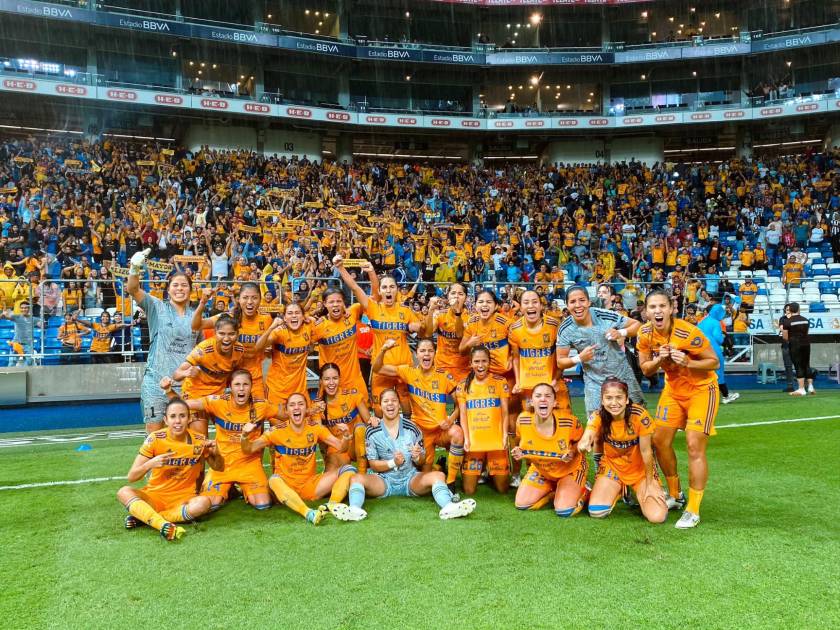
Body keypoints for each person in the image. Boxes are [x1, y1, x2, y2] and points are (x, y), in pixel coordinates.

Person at [637, 289, 720, 529]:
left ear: (671, 308)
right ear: (646, 312)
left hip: (702, 390)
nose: (658, 311)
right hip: (673, 391)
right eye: (653, 307)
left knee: (694, 445)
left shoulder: (688, 332)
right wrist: (659, 360)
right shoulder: (644, 333)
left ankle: (693, 509)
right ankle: (676, 494)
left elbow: (714, 362)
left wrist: (689, 362)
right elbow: (646, 369)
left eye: (662, 306)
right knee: (659, 441)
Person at [332, 388, 476, 522]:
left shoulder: (412, 428)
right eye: (386, 401)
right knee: (356, 478)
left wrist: (417, 457)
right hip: (384, 480)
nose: (390, 404)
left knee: (438, 476)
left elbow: (422, 461)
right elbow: (374, 465)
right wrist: (393, 462)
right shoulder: (372, 431)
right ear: (380, 406)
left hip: (409, 478)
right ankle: (355, 510)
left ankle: (448, 507)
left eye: (394, 401)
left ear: (399, 404)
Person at [161, 370, 273, 511]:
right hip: (222, 465)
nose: (241, 388)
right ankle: (229, 488)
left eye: (245, 384)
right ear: (230, 387)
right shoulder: (217, 402)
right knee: (210, 503)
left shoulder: (262, 405)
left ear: (251, 386)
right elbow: (184, 405)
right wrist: (168, 390)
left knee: (263, 504)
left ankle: (242, 488)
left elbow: (286, 414)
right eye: (237, 384)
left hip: (249, 464)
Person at [115, 398, 223, 541]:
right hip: (155, 496)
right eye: (173, 416)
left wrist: (217, 453)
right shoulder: (155, 439)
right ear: (166, 420)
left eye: (182, 416)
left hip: (184, 499)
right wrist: (150, 464)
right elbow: (132, 477)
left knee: (204, 503)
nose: (177, 421)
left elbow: (218, 467)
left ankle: (146, 517)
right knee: (123, 492)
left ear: (189, 418)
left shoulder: (199, 440)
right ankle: (161, 524)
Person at [240, 392, 355, 525]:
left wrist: (346, 437)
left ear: (306, 409)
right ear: (287, 411)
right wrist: (244, 436)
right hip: (285, 485)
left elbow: (341, 447)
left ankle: (331, 505)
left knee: (348, 470)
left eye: (300, 404)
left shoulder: (316, 428)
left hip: (309, 485)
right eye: (292, 405)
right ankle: (308, 513)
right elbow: (248, 449)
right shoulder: (276, 432)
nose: (296, 407)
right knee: (273, 480)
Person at [334, 256, 422, 413]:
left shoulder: (406, 311)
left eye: (392, 287)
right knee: (379, 409)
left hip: (403, 366)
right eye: (385, 287)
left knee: (406, 405)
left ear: (397, 290)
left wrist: (422, 324)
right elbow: (355, 287)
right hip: (381, 368)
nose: (388, 290)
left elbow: (423, 330)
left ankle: (407, 427)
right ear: (380, 291)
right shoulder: (373, 308)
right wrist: (341, 268)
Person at [372, 337, 464, 485]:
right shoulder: (408, 372)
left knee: (458, 433)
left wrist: (451, 419)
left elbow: (461, 402)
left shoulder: (443, 375)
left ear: (435, 353)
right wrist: (383, 350)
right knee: (423, 476)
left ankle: (451, 482)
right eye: (422, 351)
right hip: (421, 432)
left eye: (430, 351)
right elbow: (378, 368)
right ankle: (439, 466)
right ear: (416, 354)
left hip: (441, 430)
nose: (426, 354)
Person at [127, 249, 198, 432]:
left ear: (191, 290)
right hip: (156, 383)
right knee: (155, 438)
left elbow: (200, 351)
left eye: (184, 285)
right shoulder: (156, 306)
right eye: (175, 285)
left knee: (186, 439)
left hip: (185, 386)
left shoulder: (197, 317)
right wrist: (134, 268)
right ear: (168, 289)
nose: (180, 288)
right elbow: (133, 289)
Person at [578, 378, 668, 523]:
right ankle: (620, 488)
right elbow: (587, 435)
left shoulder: (639, 416)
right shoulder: (598, 416)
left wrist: (650, 483)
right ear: (602, 400)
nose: (614, 403)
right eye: (609, 398)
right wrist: (583, 444)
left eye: (619, 397)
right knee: (597, 512)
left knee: (657, 517)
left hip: (639, 471)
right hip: (613, 468)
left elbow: (647, 452)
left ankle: (639, 490)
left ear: (626, 399)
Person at [556, 285, 643, 419]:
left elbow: (637, 325)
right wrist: (579, 358)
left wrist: (620, 332)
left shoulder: (604, 315)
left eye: (582, 300)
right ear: (567, 305)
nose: (578, 305)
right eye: (572, 302)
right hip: (594, 382)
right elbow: (560, 361)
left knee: (637, 418)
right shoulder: (566, 329)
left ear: (589, 302)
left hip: (622, 376)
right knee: (596, 423)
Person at [511, 383, 590, 518]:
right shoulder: (522, 420)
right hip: (542, 470)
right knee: (522, 503)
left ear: (554, 403)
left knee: (564, 510)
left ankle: (585, 491)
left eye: (548, 396)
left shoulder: (569, 422)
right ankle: (553, 491)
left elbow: (581, 443)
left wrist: (572, 452)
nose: (543, 399)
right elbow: (521, 442)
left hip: (570, 470)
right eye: (538, 396)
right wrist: (518, 450)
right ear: (531, 402)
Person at [194, 282, 273, 399]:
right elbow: (196, 325)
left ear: (260, 300)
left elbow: (269, 351)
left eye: (254, 298)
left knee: (258, 408)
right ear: (238, 299)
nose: (250, 302)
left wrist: (268, 350)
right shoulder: (228, 317)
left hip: (255, 376)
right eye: (245, 297)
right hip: (228, 375)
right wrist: (202, 302)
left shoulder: (266, 319)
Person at [172, 315, 246, 435]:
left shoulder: (239, 350)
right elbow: (176, 375)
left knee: (230, 433)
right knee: (201, 438)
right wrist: (186, 372)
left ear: (237, 334)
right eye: (222, 333)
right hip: (195, 393)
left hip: (218, 395)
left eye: (231, 334)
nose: (226, 338)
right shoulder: (203, 350)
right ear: (215, 333)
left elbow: (237, 374)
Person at [456, 346, 510, 496]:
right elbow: (463, 415)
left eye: (484, 361)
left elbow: (505, 412)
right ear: (470, 363)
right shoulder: (462, 385)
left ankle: (490, 470)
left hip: (496, 442)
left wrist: (504, 435)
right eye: (477, 361)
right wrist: (467, 439)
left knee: (503, 489)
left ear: (489, 362)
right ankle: (483, 468)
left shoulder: (500, 381)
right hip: (475, 444)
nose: (480, 365)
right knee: (469, 490)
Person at [313, 363, 374, 473]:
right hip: (338, 446)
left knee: (360, 428)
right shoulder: (317, 405)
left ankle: (362, 474)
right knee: (331, 477)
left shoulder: (352, 395)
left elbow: (369, 421)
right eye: (327, 379)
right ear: (321, 381)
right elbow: (319, 432)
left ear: (339, 379)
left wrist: (374, 420)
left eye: (335, 378)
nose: (331, 383)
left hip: (357, 444)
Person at [254, 303, 313, 412]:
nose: (294, 315)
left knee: (308, 419)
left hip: (300, 389)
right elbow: (258, 347)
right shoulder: (279, 331)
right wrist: (272, 327)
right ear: (284, 318)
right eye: (290, 313)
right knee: (278, 421)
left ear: (303, 316)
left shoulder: (309, 327)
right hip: (278, 390)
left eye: (297, 313)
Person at [310, 288, 367, 395]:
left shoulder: (353, 312)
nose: (335, 304)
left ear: (344, 303)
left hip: (355, 380)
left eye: (339, 301)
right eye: (331, 302)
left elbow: (373, 299)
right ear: (325, 304)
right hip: (332, 383)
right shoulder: (319, 326)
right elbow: (307, 348)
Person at [424, 283, 470, 383]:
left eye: (460, 294)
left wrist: (458, 312)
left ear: (466, 298)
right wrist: (431, 310)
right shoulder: (440, 314)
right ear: (448, 296)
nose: (456, 296)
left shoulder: (471, 317)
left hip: (463, 367)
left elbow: (459, 334)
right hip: (442, 365)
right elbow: (428, 333)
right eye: (453, 293)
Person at [697, 304, 739, 404]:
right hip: (713, 350)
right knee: (718, 373)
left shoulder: (702, 321)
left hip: (701, 350)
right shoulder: (716, 322)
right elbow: (718, 339)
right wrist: (724, 340)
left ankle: (703, 397)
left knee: (705, 374)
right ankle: (726, 396)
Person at [781, 302, 813, 396]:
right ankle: (810, 387)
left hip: (795, 345)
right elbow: (806, 333)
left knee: (798, 365)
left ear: (790, 310)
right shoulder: (806, 320)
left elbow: (785, 337)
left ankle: (801, 389)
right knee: (806, 364)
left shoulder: (787, 321)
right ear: (799, 309)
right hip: (806, 344)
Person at [0, 301, 39, 366]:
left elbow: (42, 325)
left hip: (28, 345)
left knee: (30, 362)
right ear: (20, 309)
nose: (24, 309)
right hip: (16, 343)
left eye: (25, 308)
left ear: (29, 309)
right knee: (12, 363)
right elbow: (3, 317)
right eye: (22, 308)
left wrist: (42, 322)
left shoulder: (34, 319)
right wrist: (3, 314)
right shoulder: (16, 317)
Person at [777, 304, 797, 392]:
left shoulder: (796, 318)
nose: (788, 310)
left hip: (796, 345)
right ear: (784, 310)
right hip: (785, 345)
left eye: (789, 309)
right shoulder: (782, 319)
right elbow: (782, 329)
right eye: (787, 309)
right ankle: (790, 386)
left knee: (799, 366)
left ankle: (804, 385)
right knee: (788, 366)